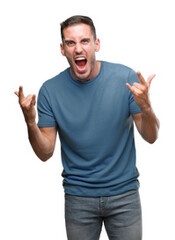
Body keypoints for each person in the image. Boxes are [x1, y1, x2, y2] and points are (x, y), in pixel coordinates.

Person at [15, 15, 158, 240]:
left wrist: (147, 108)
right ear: (62, 49)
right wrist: (30, 122)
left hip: (124, 195)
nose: (78, 48)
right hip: (78, 198)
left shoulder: (126, 79)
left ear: (96, 44)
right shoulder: (50, 91)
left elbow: (151, 137)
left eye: (84, 41)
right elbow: (45, 152)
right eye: (71, 43)